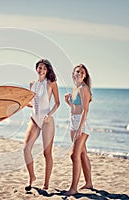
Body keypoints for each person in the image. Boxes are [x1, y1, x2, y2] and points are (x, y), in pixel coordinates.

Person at [24, 59, 60, 191]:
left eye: (44, 68)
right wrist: (20, 104)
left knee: (47, 153)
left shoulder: (51, 83)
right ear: (36, 68)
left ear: (47, 70)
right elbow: (32, 103)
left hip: (46, 121)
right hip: (34, 119)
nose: (42, 70)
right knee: (26, 149)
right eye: (40, 67)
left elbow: (57, 103)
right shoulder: (32, 84)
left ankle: (46, 184)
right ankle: (32, 176)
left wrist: (49, 115)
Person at [64, 64, 93, 195]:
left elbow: (85, 110)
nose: (80, 73)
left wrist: (80, 128)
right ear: (73, 74)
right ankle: (89, 183)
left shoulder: (84, 88)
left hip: (81, 124)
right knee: (82, 154)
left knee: (74, 155)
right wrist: (68, 103)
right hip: (73, 122)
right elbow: (76, 108)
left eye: (82, 72)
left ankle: (73, 188)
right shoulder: (75, 88)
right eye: (77, 71)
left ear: (85, 75)